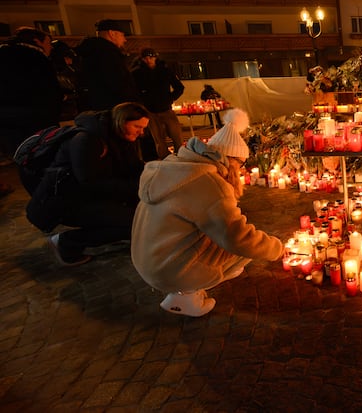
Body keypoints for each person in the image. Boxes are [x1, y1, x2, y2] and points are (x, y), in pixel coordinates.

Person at [131, 109, 284, 317]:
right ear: (229, 161)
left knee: (219, 235)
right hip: (168, 271)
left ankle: (183, 289)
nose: (240, 172)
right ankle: (185, 295)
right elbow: (238, 237)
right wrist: (277, 248)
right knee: (244, 250)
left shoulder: (174, 167)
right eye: (240, 166)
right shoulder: (210, 184)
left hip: (147, 262)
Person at [26, 102, 150, 266]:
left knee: (141, 214)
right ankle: (67, 243)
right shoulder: (86, 140)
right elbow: (90, 182)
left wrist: (154, 175)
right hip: (67, 201)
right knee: (134, 221)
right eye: (137, 126)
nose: (141, 132)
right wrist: (135, 188)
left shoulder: (121, 138)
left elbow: (134, 167)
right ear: (122, 121)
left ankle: (117, 230)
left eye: (143, 128)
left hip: (92, 197)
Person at [0, 27, 62, 158]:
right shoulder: (36, 58)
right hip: (36, 119)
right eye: (48, 43)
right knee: (42, 155)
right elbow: (49, 89)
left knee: (20, 155)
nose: (50, 48)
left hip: (6, 118)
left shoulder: (3, 55)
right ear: (36, 41)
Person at [75, 19, 139, 112]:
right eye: (122, 35)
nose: (125, 40)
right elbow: (117, 82)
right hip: (113, 109)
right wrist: (133, 103)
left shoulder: (92, 52)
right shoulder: (107, 54)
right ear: (112, 33)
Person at [132, 48, 185, 159]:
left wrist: (170, 98)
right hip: (149, 111)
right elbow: (133, 91)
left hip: (166, 109)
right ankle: (166, 160)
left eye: (151, 57)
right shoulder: (137, 73)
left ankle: (182, 157)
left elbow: (179, 87)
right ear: (142, 59)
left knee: (177, 136)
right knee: (158, 139)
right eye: (145, 58)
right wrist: (142, 102)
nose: (148, 60)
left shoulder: (165, 71)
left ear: (156, 57)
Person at [50, 40, 80, 121]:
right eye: (67, 58)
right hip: (66, 112)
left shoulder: (71, 69)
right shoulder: (60, 72)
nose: (70, 61)